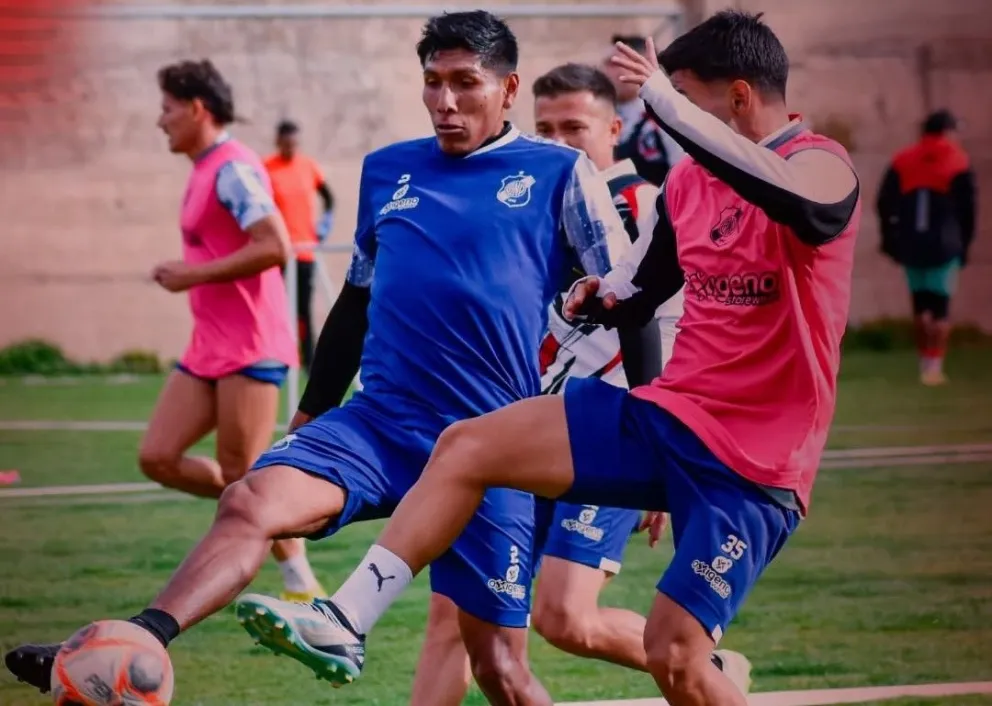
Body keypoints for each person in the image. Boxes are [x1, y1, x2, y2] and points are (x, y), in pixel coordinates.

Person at [3, 11, 655, 703]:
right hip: (381, 423)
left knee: (499, 668)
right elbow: (355, 301)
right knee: (249, 497)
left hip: (490, 448)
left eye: (466, 82)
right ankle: (136, 641)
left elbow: (630, 297)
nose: (445, 100)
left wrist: (652, 426)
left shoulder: (560, 173)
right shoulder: (389, 171)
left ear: (508, 88)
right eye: (432, 82)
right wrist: (313, 410)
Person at [289, 11, 862, 706]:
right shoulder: (685, 188)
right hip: (669, 419)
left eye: (680, 98)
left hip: (755, 464)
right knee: (468, 444)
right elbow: (640, 290)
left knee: (675, 656)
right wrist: (600, 295)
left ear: (738, 97)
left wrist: (664, 103)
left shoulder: (819, 164)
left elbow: (812, 212)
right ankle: (346, 616)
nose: (661, 120)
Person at [408, 62, 749, 706]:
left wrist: (664, 441)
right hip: (527, 429)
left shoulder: (645, 206)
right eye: (545, 128)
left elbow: (672, 324)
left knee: (566, 619)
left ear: (613, 129)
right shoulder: (527, 203)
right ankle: (710, 665)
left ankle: (709, 668)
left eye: (575, 127)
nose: (560, 142)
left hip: (613, 427)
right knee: (456, 617)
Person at [140, 61, 324, 604]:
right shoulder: (202, 169)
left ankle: (301, 583)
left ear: (197, 109)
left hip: (251, 345)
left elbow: (274, 246)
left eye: (167, 108)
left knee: (244, 472)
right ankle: (277, 518)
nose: (160, 120)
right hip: (207, 348)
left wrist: (189, 274)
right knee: (158, 457)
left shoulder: (233, 168)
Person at [877, 109, 976, 385]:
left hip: (911, 243)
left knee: (920, 306)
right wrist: (965, 245)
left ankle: (924, 362)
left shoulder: (903, 159)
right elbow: (969, 209)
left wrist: (890, 238)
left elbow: (884, 202)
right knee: (941, 307)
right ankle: (935, 366)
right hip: (946, 244)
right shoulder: (957, 159)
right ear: (947, 131)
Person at [265, 119, 336, 372]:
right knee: (275, 306)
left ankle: (309, 361)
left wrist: (325, 223)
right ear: (278, 142)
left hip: (305, 250)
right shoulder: (267, 168)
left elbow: (328, 198)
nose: (290, 148)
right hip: (276, 252)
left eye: (294, 144)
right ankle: (276, 355)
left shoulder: (308, 167)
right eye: (286, 144)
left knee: (303, 308)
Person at [600, 34, 685, 186]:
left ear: (641, 63)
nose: (604, 72)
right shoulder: (604, 119)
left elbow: (685, 178)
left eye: (614, 63)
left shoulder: (666, 116)